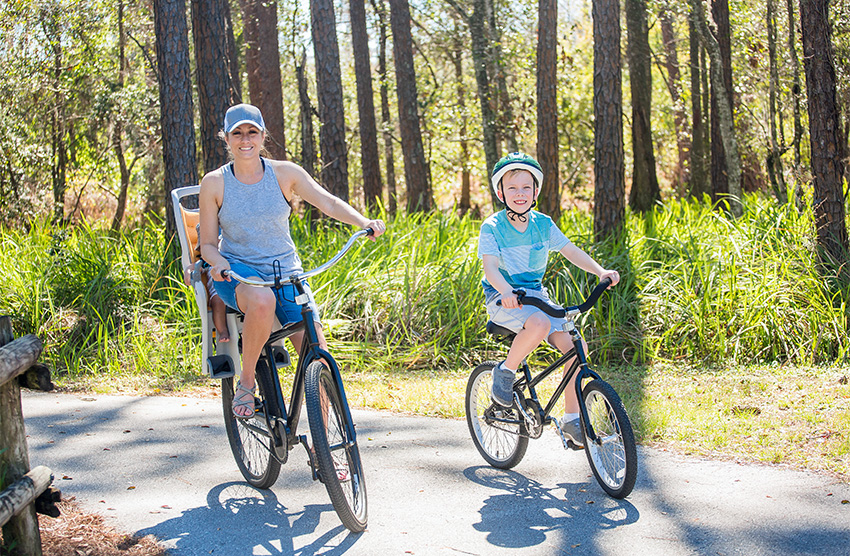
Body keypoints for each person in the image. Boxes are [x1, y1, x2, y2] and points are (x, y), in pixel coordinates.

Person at [199, 103, 386, 418]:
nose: (246, 140)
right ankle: (247, 383)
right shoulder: (215, 182)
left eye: (252, 132)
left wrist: (362, 221)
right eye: (238, 133)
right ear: (227, 139)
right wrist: (219, 264)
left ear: (262, 135)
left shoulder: (285, 174)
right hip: (239, 275)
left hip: (287, 275)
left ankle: (325, 447)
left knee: (318, 358)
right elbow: (206, 244)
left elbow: (327, 201)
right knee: (261, 301)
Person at [477, 152, 619, 448]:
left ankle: (570, 419)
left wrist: (600, 271)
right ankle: (505, 372)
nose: (520, 194)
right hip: (503, 297)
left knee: (576, 347)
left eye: (526, 187)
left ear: (536, 192)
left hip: (535, 295)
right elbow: (490, 267)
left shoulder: (543, 224)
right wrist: (505, 291)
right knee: (540, 323)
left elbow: (570, 250)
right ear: (500, 192)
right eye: (512, 188)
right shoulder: (492, 227)